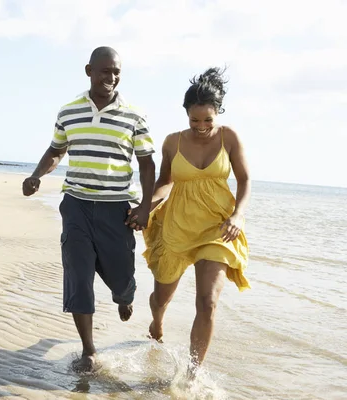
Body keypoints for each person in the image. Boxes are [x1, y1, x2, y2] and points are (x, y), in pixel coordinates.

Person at [22, 46, 156, 373]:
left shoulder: (134, 116)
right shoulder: (69, 112)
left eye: (116, 72)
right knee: (78, 275)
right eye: (105, 71)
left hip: (117, 209)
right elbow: (56, 150)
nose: (111, 78)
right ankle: (89, 350)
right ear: (89, 71)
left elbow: (148, 164)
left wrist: (145, 207)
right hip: (77, 204)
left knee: (122, 277)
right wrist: (37, 174)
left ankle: (124, 297)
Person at [141, 67, 251, 374]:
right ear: (186, 114)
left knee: (208, 302)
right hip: (177, 224)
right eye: (194, 120)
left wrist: (238, 215)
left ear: (218, 113)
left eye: (208, 120)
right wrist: (144, 207)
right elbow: (165, 182)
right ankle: (157, 321)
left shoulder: (230, 138)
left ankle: (191, 375)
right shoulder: (172, 142)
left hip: (218, 226)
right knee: (161, 297)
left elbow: (244, 179)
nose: (201, 126)